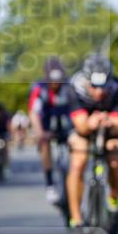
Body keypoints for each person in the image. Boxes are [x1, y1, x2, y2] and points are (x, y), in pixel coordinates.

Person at [65, 54, 118, 234]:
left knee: (115, 158)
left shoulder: (117, 88)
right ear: (86, 81)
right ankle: (76, 219)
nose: (99, 92)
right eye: (94, 87)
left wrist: (110, 121)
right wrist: (90, 123)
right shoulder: (75, 87)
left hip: (108, 127)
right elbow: (81, 126)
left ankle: (113, 201)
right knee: (78, 161)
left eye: (103, 87)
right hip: (83, 126)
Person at [29, 57, 73, 204]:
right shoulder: (39, 89)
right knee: (45, 146)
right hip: (47, 127)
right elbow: (34, 113)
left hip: (66, 126)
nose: (56, 83)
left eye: (58, 79)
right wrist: (40, 132)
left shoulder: (69, 87)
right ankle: (50, 185)